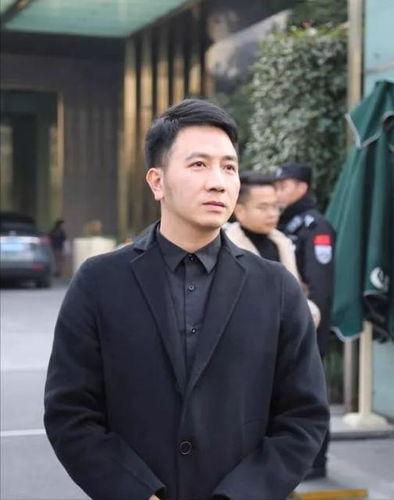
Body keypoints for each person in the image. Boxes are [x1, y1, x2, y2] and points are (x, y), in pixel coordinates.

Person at [44, 99, 329, 500]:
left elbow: (303, 417)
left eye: (228, 167)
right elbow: (71, 413)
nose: (218, 182)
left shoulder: (276, 288)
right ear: (157, 181)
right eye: (198, 165)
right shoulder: (100, 282)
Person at [274, 162, 335, 479]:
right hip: (287, 323)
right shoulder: (282, 224)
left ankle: (316, 461)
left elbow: (320, 284)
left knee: (310, 392)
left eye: (284, 185)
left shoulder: (316, 226)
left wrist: (312, 325)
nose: (278, 191)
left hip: (310, 322)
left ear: (302, 187)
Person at [226, 171, 320, 327]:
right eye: (263, 207)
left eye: (276, 207)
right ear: (239, 210)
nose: (272, 214)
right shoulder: (224, 248)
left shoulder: (283, 243)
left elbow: (295, 298)